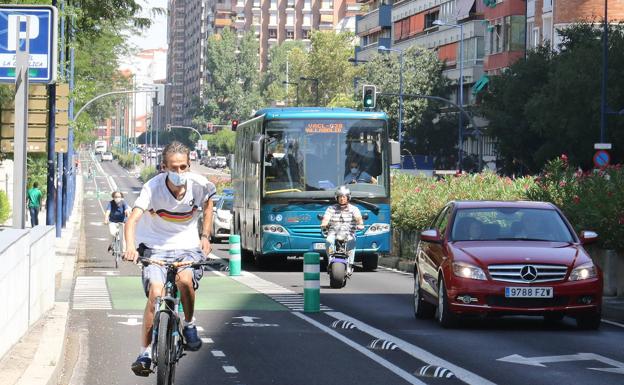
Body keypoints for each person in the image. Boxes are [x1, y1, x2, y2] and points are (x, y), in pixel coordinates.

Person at [124, 141, 215, 377]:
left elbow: (208, 206)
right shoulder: (152, 188)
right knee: (155, 292)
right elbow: (132, 220)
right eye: (173, 168)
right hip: (155, 247)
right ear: (163, 167)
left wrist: (205, 236)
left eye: (183, 167)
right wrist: (131, 247)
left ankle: (189, 322)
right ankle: (144, 353)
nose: (179, 173)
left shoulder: (199, 185)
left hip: (186, 246)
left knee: (185, 280)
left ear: (189, 165)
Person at [320, 186, 365, 275]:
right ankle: (330, 261)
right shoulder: (331, 208)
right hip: (333, 232)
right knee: (328, 241)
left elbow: (359, 219)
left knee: (352, 243)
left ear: (348, 197)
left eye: (344, 196)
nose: (342, 198)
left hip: (349, 233)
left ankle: (350, 265)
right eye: (340, 196)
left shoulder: (354, 209)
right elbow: (326, 218)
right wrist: (324, 224)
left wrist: (360, 224)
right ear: (337, 198)